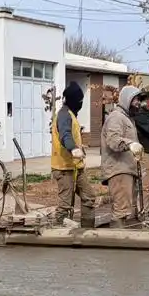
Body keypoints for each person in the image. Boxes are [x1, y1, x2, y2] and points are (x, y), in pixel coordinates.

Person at [51, 81, 96, 226]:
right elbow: (65, 135)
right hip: (64, 168)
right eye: (79, 101)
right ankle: (57, 233)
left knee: (88, 197)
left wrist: (79, 146)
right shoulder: (64, 115)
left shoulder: (71, 114)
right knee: (65, 205)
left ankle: (87, 230)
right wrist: (73, 148)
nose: (81, 103)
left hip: (76, 167)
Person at [101, 84, 143, 227]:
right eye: (135, 99)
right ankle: (117, 242)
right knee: (121, 210)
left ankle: (119, 239)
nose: (138, 103)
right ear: (127, 99)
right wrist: (130, 144)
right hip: (118, 170)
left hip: (125, 169)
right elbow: (113, 140)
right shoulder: (116, 117)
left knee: (124, 209)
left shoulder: (127, 118)